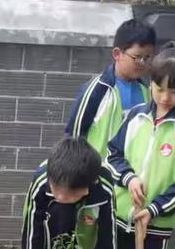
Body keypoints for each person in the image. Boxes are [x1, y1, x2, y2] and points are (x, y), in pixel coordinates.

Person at [22, 137, 116, 249]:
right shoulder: (42, 183)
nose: (58, 195)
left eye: (68, 193)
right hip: (54, 222)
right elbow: (32, 235)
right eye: (56, 189)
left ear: (88, 186)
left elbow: (108, 238)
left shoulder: (102, 188)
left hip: (87, 222)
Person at [107, 45, 175, 249]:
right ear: (150, 85)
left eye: (173, 91)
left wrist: (153, 209)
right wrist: (130, 178)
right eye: (160, 89)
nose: (165, 98)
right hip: (118, 218)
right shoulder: (134, 117)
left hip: (155, 226)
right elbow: (113, 154)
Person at [66, 19, 156, 157]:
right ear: (117, 54)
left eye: (147, 57)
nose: (142, 63)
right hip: (97, 173)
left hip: (130, 175)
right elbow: (74, 137)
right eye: (137, 57)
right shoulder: (97, 89)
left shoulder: (147, 92)